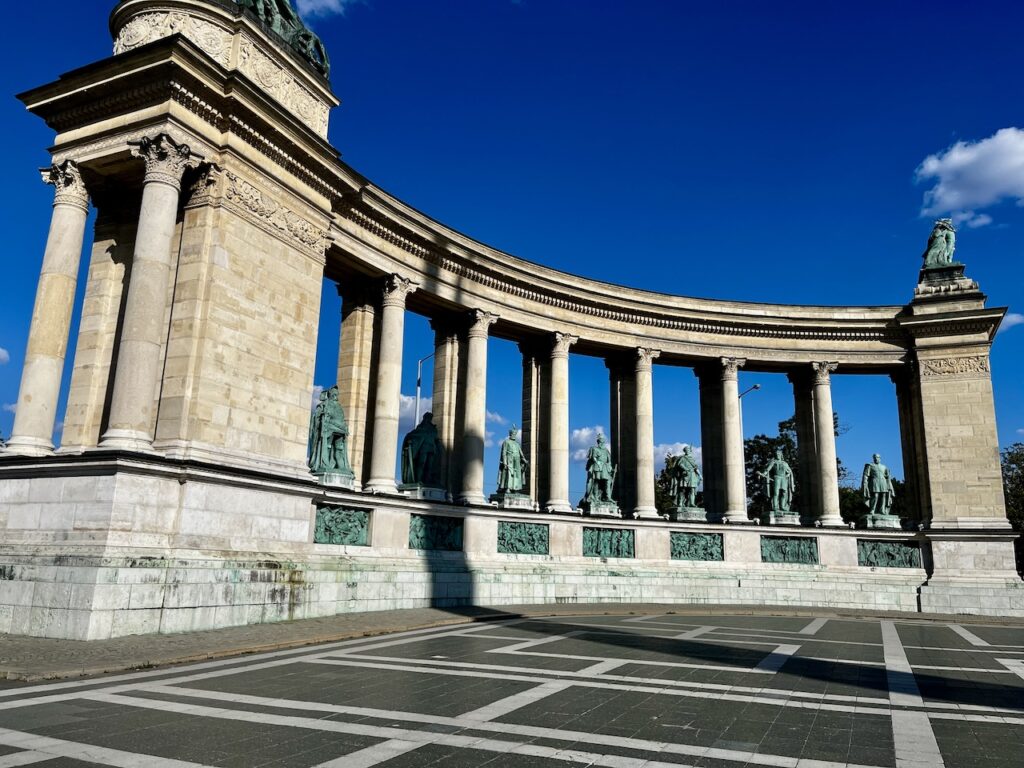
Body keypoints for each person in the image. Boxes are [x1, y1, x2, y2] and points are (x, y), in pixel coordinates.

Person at [401, 412, 444, 487]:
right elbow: (415, 434)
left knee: (429, 466)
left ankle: (427, 480)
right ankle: (418, 480)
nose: (429, 419)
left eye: (430, 418)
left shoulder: (433, 428)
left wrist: (440, 448)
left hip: (432, 448)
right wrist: (410, 439)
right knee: (421, 464)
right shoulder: (421, 427)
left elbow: (436, 439)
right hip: (423, 448)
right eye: (428, 417)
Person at [759, 448, 795, 513]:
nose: (777, 455)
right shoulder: (773, 462)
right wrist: (763, 474)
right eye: (776, 454)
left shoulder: (785, 463)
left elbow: (789, 472)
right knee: (776, 493)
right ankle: (775, 507)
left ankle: (782, 506)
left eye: (779, 454)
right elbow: (768, 469)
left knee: (784, 493)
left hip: (783, 478)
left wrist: (788, 475)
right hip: (776, 478)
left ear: (781, 455)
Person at [583, 433, 615, 505]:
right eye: (600, 442)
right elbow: (593, 457)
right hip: (597, 466)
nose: (601, 443)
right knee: (596, 481)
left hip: (605, 467)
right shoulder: (594, 449)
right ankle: (595, 497)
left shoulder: (606, 450)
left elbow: (609, 460)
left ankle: (608, 497)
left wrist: (610, 468)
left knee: (607, 481)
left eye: (602, 442)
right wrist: (597, 462)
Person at [497, 426, 528, 494]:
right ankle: (507, 488)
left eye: (514, 434)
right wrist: (505, 461)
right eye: (512, 434)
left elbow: (521, 454)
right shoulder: (506, 442)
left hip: (516, 460)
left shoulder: (517, 444)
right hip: (509, 459)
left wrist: (524, 460)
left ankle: (515, 488)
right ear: (510, 434)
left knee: (517, 475)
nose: (513, 435)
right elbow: (504, 452)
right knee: (509, 473)